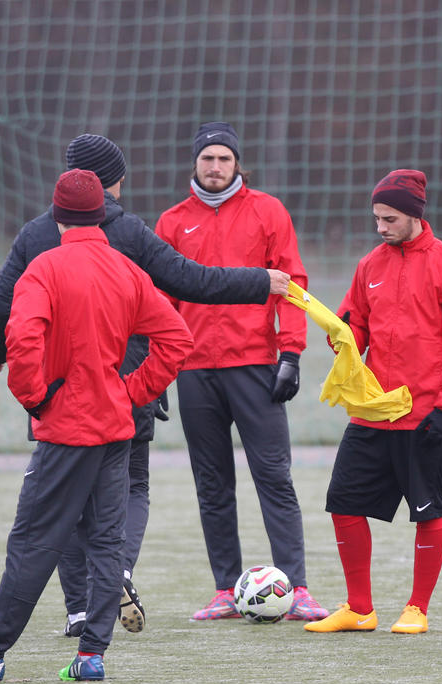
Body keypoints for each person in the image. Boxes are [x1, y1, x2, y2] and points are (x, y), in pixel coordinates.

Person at [0, 133, 287, 638]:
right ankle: (117, 574)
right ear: (114, 181)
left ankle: (77, 609)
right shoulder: (127, 233)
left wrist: (2, 365)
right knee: (130, 488)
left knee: (62, 505)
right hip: (126, 388)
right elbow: (193, 281)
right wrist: (259, 282)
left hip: (56, 395)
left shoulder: (37, 235)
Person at [0, 169, 193, 683]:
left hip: (68, 430)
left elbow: (21, 340)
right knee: (107, 541)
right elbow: (177, 339)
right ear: (103, 212)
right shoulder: (126, 268)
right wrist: (130, 391)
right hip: (115, 427)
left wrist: (37, 399)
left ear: (58, 215)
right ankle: (91, 656)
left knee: (33, 541)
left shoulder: (44, 268)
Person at [155, 121, 326, 622]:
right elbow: (157, 302)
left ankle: (296, 587)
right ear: (194, 163)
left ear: (237, 164)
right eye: (207, 158)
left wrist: (291, 354)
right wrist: (154, 368)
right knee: (211, 482)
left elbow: (291, 283)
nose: (214, 167)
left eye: (223, 159)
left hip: (254, 365)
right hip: (194, 369)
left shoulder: (267, 211)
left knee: (274, 476)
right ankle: (224, 589)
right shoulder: (171, 222)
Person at [304, 169, 442, 635]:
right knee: (342, 503)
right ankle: (360, 609)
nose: (381, 226)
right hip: (372, 411)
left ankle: (417, 608)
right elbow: (355, 324)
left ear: (415, 216)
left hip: (427, 416)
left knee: (428, 512)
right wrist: (342, 335)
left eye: (389, 218)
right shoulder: (370, 266)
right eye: (377, 218)